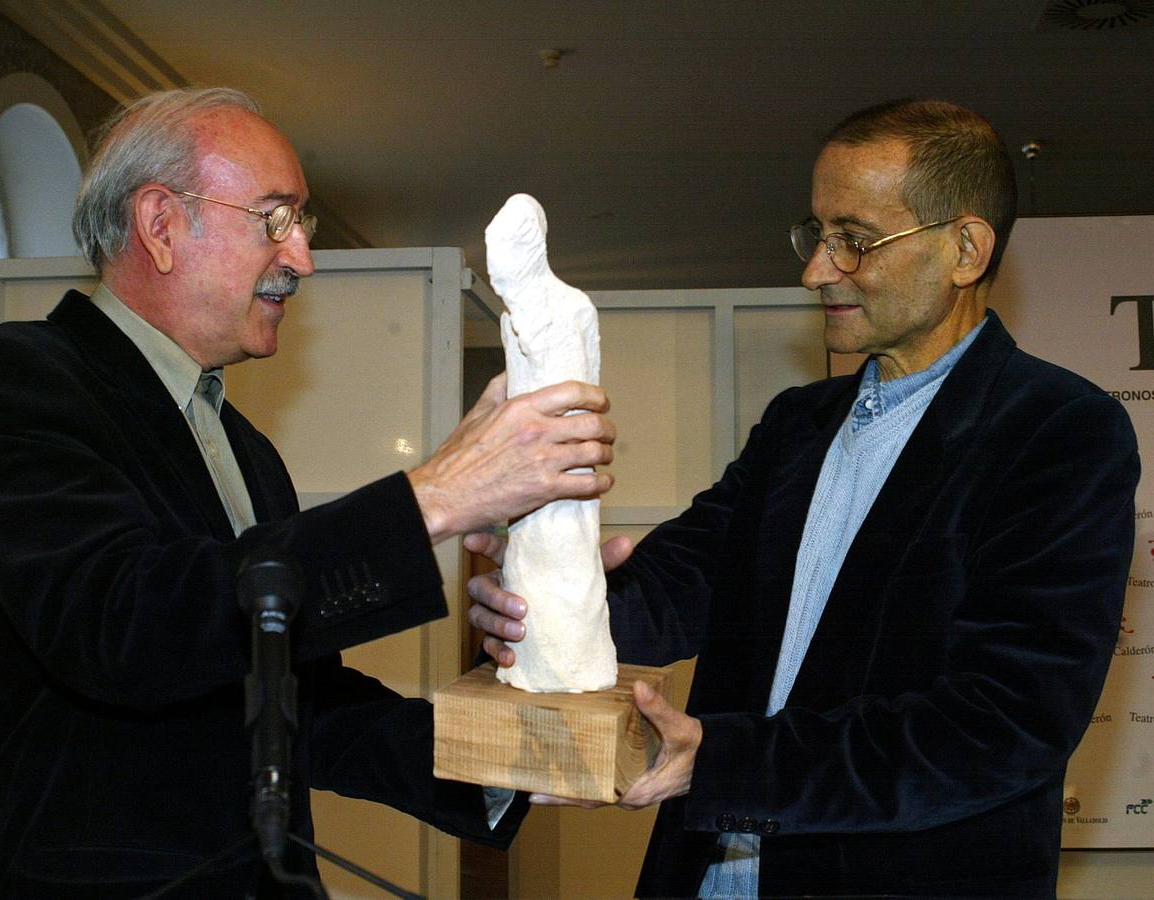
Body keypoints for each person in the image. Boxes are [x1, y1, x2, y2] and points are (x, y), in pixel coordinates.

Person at [0, 87, 616, 898]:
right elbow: (125, 626)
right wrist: (439, 492)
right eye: (274, 218)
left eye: (302, 224)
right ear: (160, 225)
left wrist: (508, 761)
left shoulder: (245, 448)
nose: (302, 259)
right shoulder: (12, 380)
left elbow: (302, 703)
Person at [468, 98, 1140, 897]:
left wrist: (718, 764)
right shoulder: (799, 423)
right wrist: (548, 583)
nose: (816, 269)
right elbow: (685, 582)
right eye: (816, 236)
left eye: (853, 241)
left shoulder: (1058, 432)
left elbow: (1000, 728)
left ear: (964, 248)